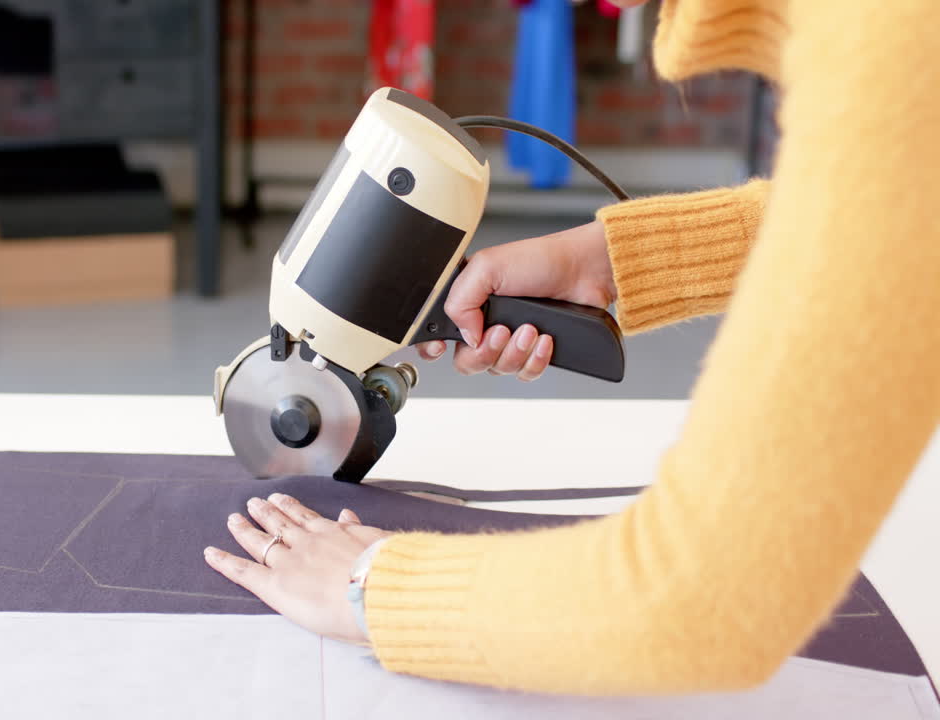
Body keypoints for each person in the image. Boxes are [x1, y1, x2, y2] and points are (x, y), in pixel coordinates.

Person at [204, 0, 940, 695]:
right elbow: (898, 208)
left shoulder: (886, 42)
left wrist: (375, 587)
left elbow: (706, 599)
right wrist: (609, 260)